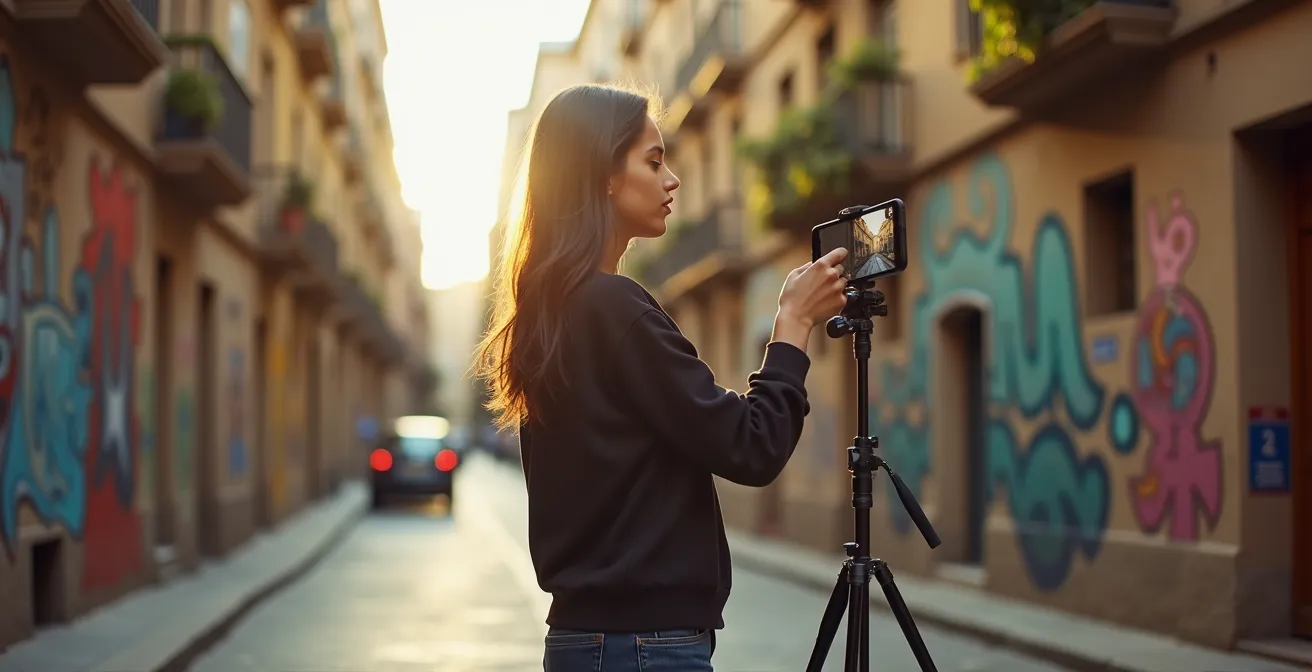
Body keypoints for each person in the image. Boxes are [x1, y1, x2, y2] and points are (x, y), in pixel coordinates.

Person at [473, 84, 850, 671]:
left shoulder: (550, 312)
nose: (672, 179)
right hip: (644, 648)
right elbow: (752, 447)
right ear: (602, 174)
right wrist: (794, 322)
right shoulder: (613, 307)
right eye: (653, 161)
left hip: (584, 643)